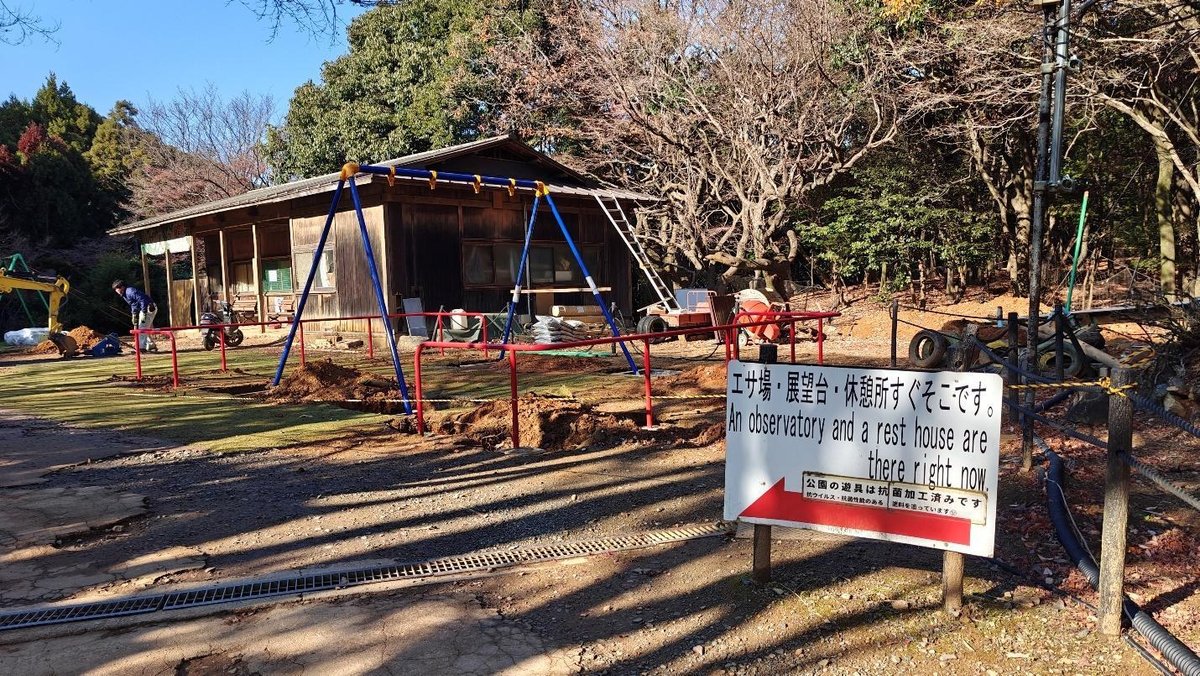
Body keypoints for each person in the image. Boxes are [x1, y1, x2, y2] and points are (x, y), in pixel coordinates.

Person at [112, 279, 157, 351]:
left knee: (142, 328)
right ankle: (151, 344)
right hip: (144, 309)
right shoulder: (124, 295)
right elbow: (134, 305)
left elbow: (142, 300)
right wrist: (134, 315)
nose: (116, 291)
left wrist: (144, 312)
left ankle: (141, 348)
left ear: (122, 287)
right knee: (144, 327)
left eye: (117, 288)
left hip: (149, 308)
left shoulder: (130, 291)